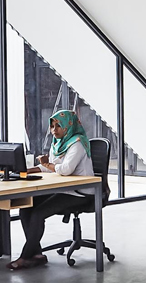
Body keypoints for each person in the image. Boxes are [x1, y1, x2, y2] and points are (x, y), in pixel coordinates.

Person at [7, 110, 95, 270]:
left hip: (80, 192)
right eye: (52, 126)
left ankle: (25, 256)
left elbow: (66, 169)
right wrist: (26, 170)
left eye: (58, 126)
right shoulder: (58, 143)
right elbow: (50, 167)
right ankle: (36, 254)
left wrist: (47, 164)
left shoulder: (77, 143)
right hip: (63, 189)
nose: (54, 130)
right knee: (26, 208)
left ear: (69, 126)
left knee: (38, 213)